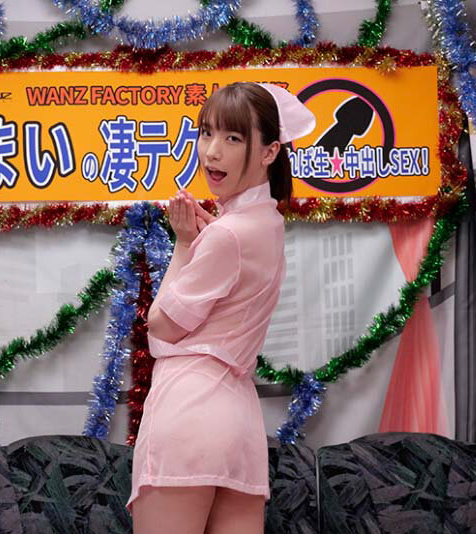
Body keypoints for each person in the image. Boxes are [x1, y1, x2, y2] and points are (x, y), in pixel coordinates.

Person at [126, 81, 316, 534]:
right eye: (206, 133)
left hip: (188, 410)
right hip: (238, 419)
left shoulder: (227, 235)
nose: (212, 152)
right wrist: (205, 239)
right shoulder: (268, 223)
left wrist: (184, 244)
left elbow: (161, 327)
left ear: (270, 151)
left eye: (232, 138)